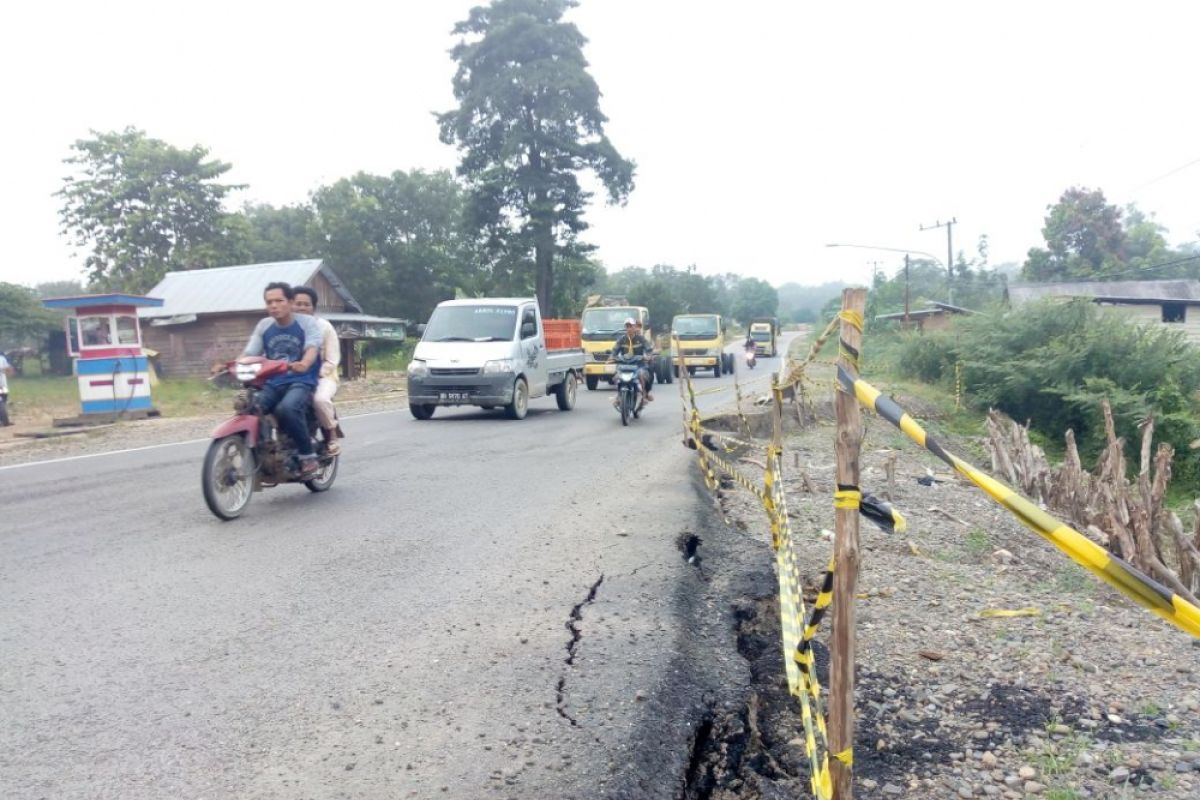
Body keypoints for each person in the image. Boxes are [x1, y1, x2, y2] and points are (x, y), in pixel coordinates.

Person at [242, 282, 324, 475]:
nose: (274, 305)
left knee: (287, 408)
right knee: (251, 407)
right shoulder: (264, 325)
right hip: (273, 381)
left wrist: (304, 362)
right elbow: (250, 352)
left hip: (301, 380)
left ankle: (307, 455)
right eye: (269, 302)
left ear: (290, 302)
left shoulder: (307, 323)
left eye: (279, 300)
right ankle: (263, 452)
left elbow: (312, 346)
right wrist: (232, 364)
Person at [291, 286, 342, 456]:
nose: (302, 307)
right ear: (291, 305)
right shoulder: (285, 327)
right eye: (298, 303)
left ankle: (331, 436)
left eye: (306, 304)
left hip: (324, 376)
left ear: (313, 307)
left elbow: (332, 359)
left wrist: (315, 373)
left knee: (319, 400)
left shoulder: (324, 327)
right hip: (293, 376)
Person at [609, 317, 654, 406]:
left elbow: (648, 349)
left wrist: (648, 356)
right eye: (627, 326)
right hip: (624, 365)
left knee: (643, 374)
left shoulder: (641, 339)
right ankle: (619, 396)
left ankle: (645, 395)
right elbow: (615, 350)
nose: (629, 328)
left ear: (634, 327)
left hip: (639, 365)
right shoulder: (622, 339)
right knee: (616, 376)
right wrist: (612, 357)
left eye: (631, 326)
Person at [0, 351, 13, 427]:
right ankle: (4, 420)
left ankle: (4, 419)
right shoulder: (2, 359)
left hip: (2, 385)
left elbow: (9, 370)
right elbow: (9, 370)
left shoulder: (2, 359)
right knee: (3, 402)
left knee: (3, 401)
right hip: (3, 385)